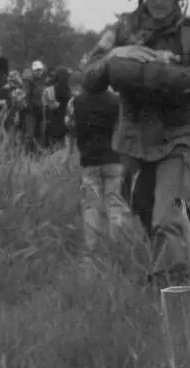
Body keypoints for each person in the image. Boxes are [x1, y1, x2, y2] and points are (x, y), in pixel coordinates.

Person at [79, 0, 190, 287]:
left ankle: (170, 290)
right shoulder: (122, 30)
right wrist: (114, 56)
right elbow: (88, 79)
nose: (160, 1)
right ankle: (179, 269)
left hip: (183, 135)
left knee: (168, 215)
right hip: (135, 138)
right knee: (145, 210)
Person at [69, 83, 127, 263]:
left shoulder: (77, 101)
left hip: (89, 161)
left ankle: (90, 253)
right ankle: (116, 252)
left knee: (91, 207)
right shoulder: (116, 101)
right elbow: (122, 129)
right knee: (115, 205)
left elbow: (74, 129)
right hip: (113, 159)